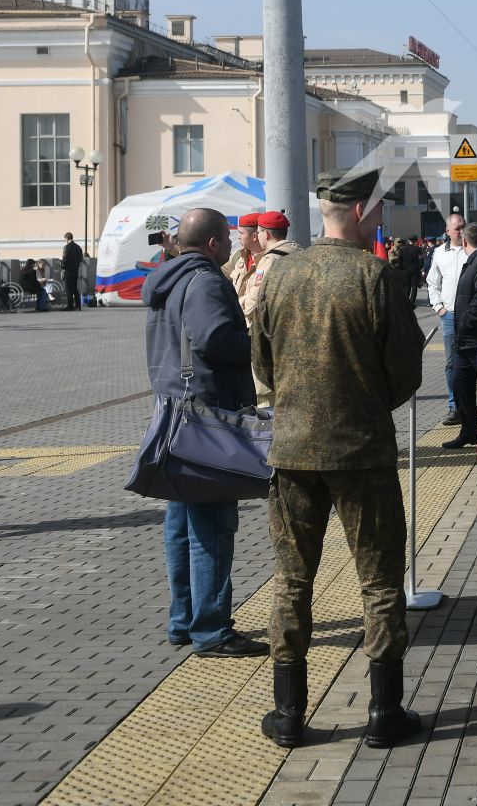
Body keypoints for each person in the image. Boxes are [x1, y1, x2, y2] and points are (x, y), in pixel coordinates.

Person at [255, 167, 425, 750]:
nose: (379, 218)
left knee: (292, 579)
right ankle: (384, 712)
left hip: (293, 452)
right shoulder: (374, 276)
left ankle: (288, 714)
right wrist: (365, 403)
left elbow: (263, 365)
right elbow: (406, 369)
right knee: (379, 581)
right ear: (356, 212)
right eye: (376, 209)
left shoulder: (279, 274)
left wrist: (298, 405)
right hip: (362, 452)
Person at [141, 207, 268, 660]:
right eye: (228, 239)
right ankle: (211, 630)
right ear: (213, 243)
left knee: (181, 525)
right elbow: (214, 338)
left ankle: (184, 621)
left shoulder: (168, 277)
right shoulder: (207, 281)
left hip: (176, 414)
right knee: (211, 527)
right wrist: (258, 344)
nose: (233, 245)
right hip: (207, 417)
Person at [241, 211, 298, 406]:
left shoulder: (270, 260)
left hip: (269, 336)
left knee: (265, 398)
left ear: (266, 234)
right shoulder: (300, 253)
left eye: (259, 232)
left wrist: (237, 307)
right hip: (292, 333)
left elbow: (255, 301)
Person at [443, 222, 477, 450]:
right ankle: (470, 430)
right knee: (460, 384)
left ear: (464, 242)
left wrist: (466, 322)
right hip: (465, 340)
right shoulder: (475, 259)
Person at [425, 215, 468, 427]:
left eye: (463, 227)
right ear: (447, 230)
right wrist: (439, 308)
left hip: (472, 315)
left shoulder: (475, 251)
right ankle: (454, 406)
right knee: (452, 363)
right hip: (450, 315)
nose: (460, 232)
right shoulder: (439, 253)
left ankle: (474, 405)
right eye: (456, 228)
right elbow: (433, 283)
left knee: (476, 361)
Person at [227, 214, 262, 301]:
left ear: (254, 236)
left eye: (241, 233)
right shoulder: (237, 256)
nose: (238, 237)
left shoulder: (269, 260)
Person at [390, 234, 422, 308]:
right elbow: (421, 261)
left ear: (409, 240)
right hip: (414, 270)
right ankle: (412, 302)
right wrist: (419, 268)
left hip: (405, 270)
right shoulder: (418, 249)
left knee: (406, 286)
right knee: (414, 287)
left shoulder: (403, 249)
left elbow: (400, 260)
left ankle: (405, 301)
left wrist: (401, 268)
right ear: (415, 241)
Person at [62, 232, 85, 310]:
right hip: (75, 270)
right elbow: (80, 259)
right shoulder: (78, 247)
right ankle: (78, 305)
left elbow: (64, 259)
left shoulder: (66, 247)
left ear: (66, 238)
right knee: (75, 288)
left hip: (68, 271)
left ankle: (70, 306)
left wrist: (63, 267)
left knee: (68, 289)